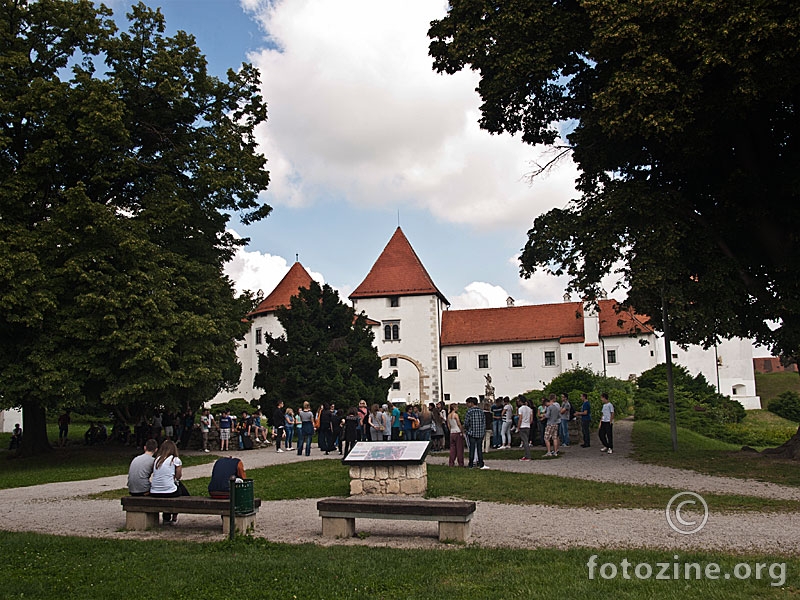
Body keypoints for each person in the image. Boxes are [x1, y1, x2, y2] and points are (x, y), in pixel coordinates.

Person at [149, 440, 183, 525]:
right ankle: (174, 516)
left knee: (170, 488)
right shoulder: (175, 460)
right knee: (181, 490)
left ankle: (166, 518)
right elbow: (178, 476)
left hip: (154, 491)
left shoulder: (157, 460)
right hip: (169, 491)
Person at [464, 397, 489, 469]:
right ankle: (481, 463)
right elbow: (484, 422)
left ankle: (471, 464)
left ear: (471, 403)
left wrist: (467, 429)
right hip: (480, 432)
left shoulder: (469, 412)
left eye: (467, 403)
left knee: (472, 449)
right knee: (479, 449)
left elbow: (466, 423)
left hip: (472, 432)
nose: (467, 405)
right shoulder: (481, 411)